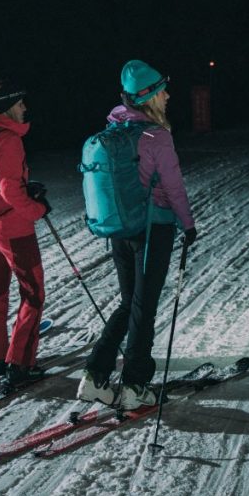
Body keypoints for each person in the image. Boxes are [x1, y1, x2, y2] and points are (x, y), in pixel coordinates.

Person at [76, 59, 197, 410]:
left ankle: (95, 376)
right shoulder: (156, 137)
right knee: (144, 309)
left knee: (129, 302)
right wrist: (187, 225)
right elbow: (174, 189)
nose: (169, 95)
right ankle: (135, 384)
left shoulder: (115, 130)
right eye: (163, 90)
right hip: (152, 231)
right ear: (151, 97)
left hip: (120, 230)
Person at [0, 79, 51, 388]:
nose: (25, 108)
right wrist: (37, 209)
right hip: (13, 230)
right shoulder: (7, 139)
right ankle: (20, 364)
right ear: (6, 107)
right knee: (33, 294)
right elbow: (9, 191)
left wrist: (23, 188)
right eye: (19, 103)